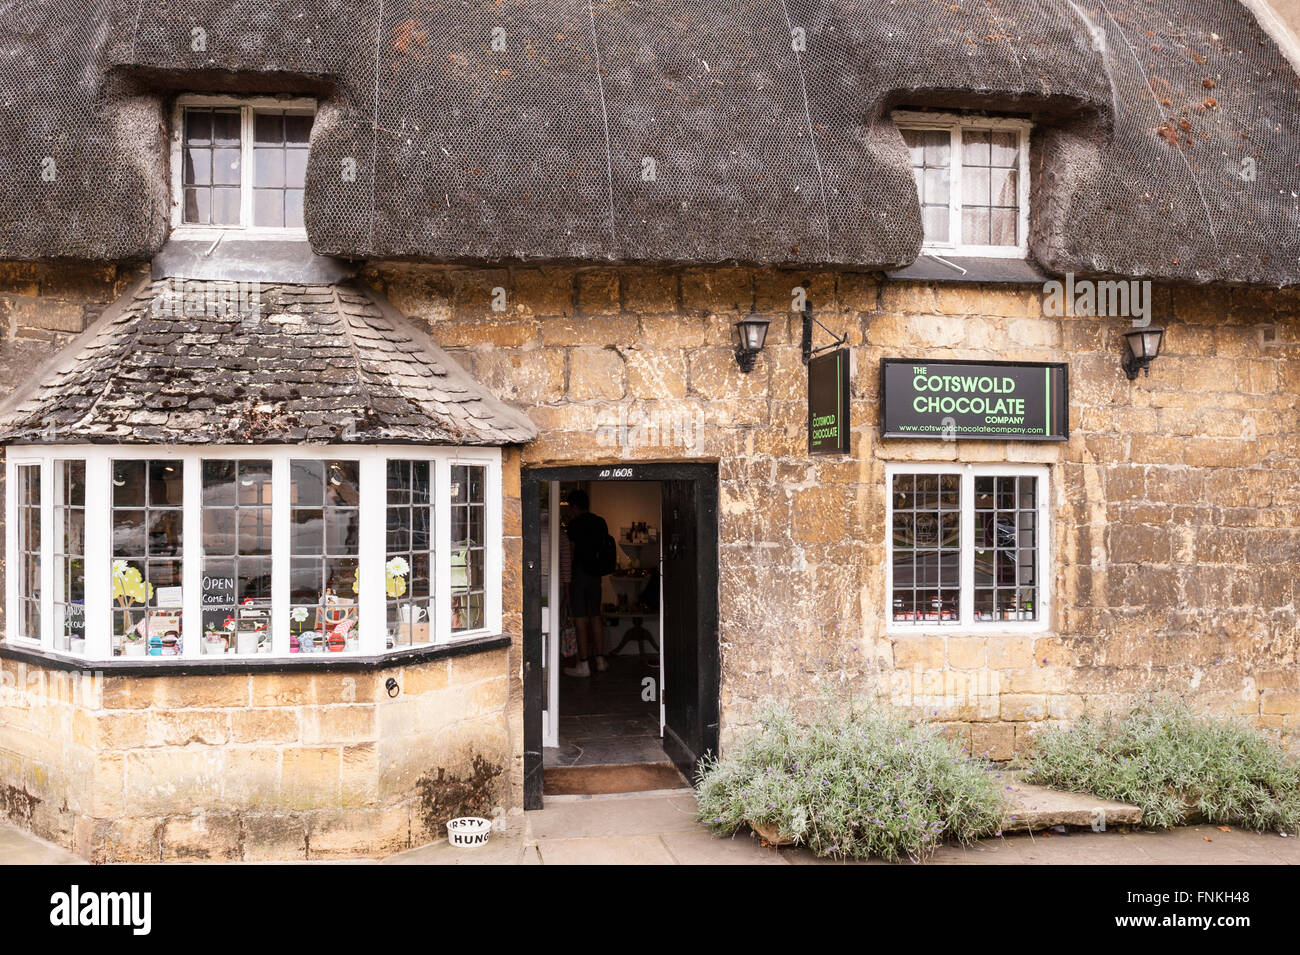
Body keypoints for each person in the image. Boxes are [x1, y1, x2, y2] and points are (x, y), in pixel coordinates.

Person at [563, 488, 609, 677]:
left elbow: (570, 551)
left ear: (574, 507)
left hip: (579, 574)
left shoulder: (574, 525)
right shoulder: (600, 522)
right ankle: (600, 660)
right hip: (596, 575)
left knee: (580, 619)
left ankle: (583, 664)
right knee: (596, 616)